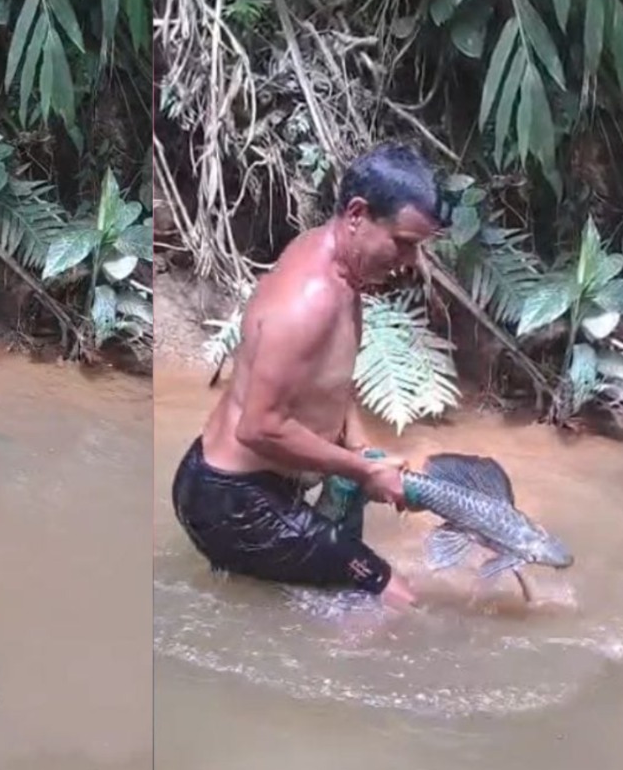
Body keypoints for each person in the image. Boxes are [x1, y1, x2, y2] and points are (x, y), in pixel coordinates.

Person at [173, 142, 447, 610]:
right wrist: (362, 471)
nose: (409, 261)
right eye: (403, 243)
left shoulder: (338, 263)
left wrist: (359, 447)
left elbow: (330, 380)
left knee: (309, 591)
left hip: (234, 485)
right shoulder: (310, 302)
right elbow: (259, 427)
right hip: (235, 503)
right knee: (397, 600)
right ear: (357, 215)